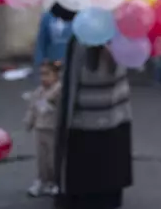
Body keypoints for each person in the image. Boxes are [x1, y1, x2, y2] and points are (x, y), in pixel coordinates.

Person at [55, 38, 132, 209]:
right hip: (114, 123)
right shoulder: (122, 36)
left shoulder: (82, 41)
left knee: (84, 191)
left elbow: (71, 88)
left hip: (84, 126)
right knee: (107, 188)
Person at [25, 60, 62, 197]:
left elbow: (56, 102)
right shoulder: (38, 92)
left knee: (53, 158)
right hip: (40, 129)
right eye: (41, 75)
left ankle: (54, 181)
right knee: (41, 158)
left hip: (53, 129)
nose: (43, 78)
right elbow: (32, 108)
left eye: (47, 74)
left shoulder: (59, 89)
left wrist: (48, 99)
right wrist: (29, 122)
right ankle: (41, 179)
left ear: (56, 75)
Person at [32, 3, 74, 85]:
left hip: (70, 58)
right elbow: (42, 39)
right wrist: (40, 60)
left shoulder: (77, 17)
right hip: (52, 58)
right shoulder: (48, 17)